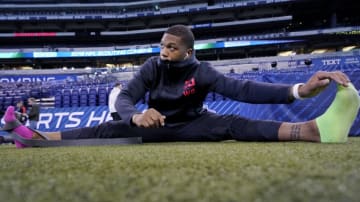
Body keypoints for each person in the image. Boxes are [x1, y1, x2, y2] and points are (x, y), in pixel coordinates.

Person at [2, 24, 360, 149]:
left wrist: (301, 89)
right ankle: (30, 137)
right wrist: (137, 115)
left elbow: (244, 90)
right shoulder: (151, 67)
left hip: (194, 123)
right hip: (156, 126)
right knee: (107, 127)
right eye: (161, 46)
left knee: (235, 124)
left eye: (170, 48)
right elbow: (126, 97)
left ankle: (314, 130)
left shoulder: (202, 71)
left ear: (188, 51)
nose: (163, 52)